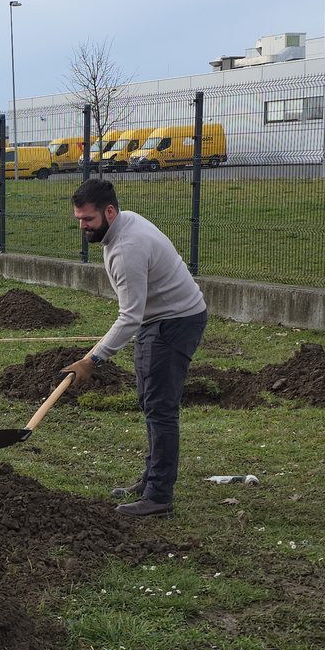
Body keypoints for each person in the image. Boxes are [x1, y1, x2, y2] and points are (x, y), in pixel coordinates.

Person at [60, 178, 209, 517]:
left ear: (109, 212)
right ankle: (151, 478)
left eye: (88, 220)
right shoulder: (125, 223)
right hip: (161, 318)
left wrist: (92, 359)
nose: (82, 227)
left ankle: (158, 496)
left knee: (160, 407)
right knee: (150, 400)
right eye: (79, 219)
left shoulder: (127, 248)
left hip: (174, 322)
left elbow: (129, 317)